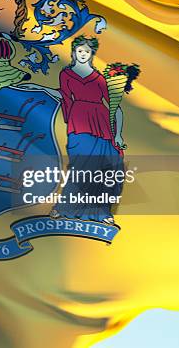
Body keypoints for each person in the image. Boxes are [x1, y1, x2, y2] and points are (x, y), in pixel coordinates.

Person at [49, 35, 125, 224]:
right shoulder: (66, 74)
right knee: (80, 166)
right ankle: (64, 208)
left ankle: (101, 212)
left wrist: (118, 134)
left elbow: (115, 107)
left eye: (87, 51)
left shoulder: (99, 78)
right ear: (74, 52)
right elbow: (65, 97)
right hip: (80, 122)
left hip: (102, 123)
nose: (83, 54)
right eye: (80, 51)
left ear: (92, 54)